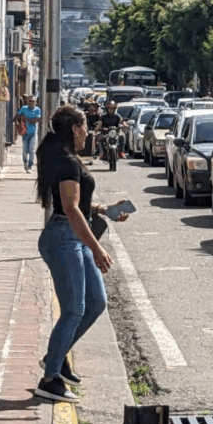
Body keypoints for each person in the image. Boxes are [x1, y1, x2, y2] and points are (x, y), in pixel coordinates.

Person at [33, 106, 129, 403]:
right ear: (75, 128)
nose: (88, 131)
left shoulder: (69, 157)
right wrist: (97, 248)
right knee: (74, 309)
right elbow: (70, 209)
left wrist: (103, 209)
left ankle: (56, 356)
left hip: (73, 234)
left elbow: (77, 205)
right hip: (63, 238)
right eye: (85, 126)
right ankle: (49, 379)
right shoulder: (65, 161)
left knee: (96, 303)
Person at [15, 97, 42, 172]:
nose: (31, 102)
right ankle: (25, 162)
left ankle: (30, 165)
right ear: (28, 102)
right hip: (25, 133)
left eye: (33, 101)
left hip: (33, 133)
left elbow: (36, 120)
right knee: (24, 150)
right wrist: (19, 123)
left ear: (35, 102)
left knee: (31, 150)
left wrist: (26, 118)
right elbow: (17, 116)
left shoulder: (37, 109)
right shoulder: (24, 108)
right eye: (30, 101)